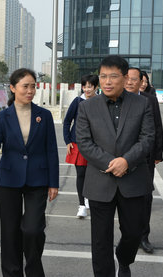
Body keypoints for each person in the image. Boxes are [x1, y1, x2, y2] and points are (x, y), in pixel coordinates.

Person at [76, 56, 154, 277]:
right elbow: (84, 142)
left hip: (134, 181)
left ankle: (124, 259)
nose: (107, 81)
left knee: (133, 233)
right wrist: (113, 163)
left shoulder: (142, 103)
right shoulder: (87, 107)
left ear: (125, 77)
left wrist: (127, 161)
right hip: (101, 181)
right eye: (103, 76)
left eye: (113, 76)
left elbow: (148, 138)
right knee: (100, 240)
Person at [0, 68, 59, 277]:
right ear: (13, 88)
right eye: (26, 86)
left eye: (33, 86)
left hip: (38, 179)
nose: (30, 90)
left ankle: (34, 271)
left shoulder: (44, 116)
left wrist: (54, 182)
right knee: (10, 232)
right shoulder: (2, 117)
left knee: (33, 230)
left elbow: (51, 150)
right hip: (9, 179)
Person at [124, 68, 163, 254]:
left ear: (141, 82)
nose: (130, 82)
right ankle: (127, 236)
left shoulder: (149, 100)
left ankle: (144, 236)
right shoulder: (117, 99)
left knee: (145, 199)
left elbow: (157, 127)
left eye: (134, 79)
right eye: (127, 79)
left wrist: (158, 153)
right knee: (124, 199)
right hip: (122, 160)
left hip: (145, 159)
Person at [63, 74, 99, 218]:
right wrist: (68, 141)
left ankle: (89, 197)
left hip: (96, 144)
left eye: (90, 86)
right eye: (84, 86)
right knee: (81, 174)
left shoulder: (100, 101)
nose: (87, 89)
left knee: (94, 174)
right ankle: (82, 205)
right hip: (78, 143)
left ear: (96, 87)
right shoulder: (77, 101)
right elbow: (67, 122)